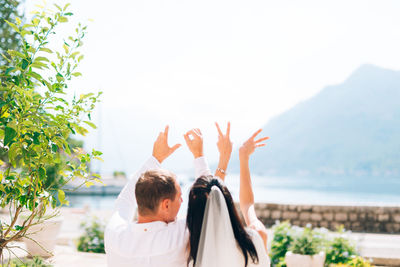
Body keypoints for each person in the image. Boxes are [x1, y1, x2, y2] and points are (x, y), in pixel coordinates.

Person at [104, 125, 211, 267]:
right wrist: (199, 155)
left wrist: (155, 158)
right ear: (166, 204)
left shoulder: (115, 235)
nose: (182, 200)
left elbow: (125, 200)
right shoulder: (179, 235)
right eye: (179, 197)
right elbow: (210, 203)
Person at [186, 124, 271, 267]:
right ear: (228, 203)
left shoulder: (189, 251)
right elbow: (247, 204)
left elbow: (212, 197)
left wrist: (215, 158)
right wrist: (243, 158)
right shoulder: (254, 240)